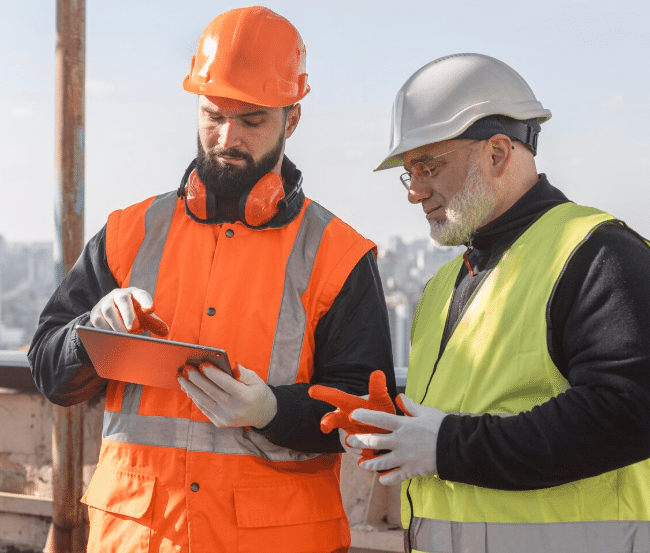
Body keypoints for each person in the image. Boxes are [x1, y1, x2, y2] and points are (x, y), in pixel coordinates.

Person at [27, 6, 395, 553]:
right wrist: (88, 334)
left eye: (252, 121)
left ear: (291, 120)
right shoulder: (129, 233)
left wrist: (274, 411)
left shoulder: (337, 254)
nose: (227, 136)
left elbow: (367, 411)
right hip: (142, 538)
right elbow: (50, 372)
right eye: (213, 115)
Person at [342, 53, 650, 553]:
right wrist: (396, 424)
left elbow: (625, 416)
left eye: (428, 166)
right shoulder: (445, 286)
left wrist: (445, 447)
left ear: (498, 154)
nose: (415, 192)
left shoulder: (601, 255)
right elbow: (481, 407)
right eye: (409, 173)